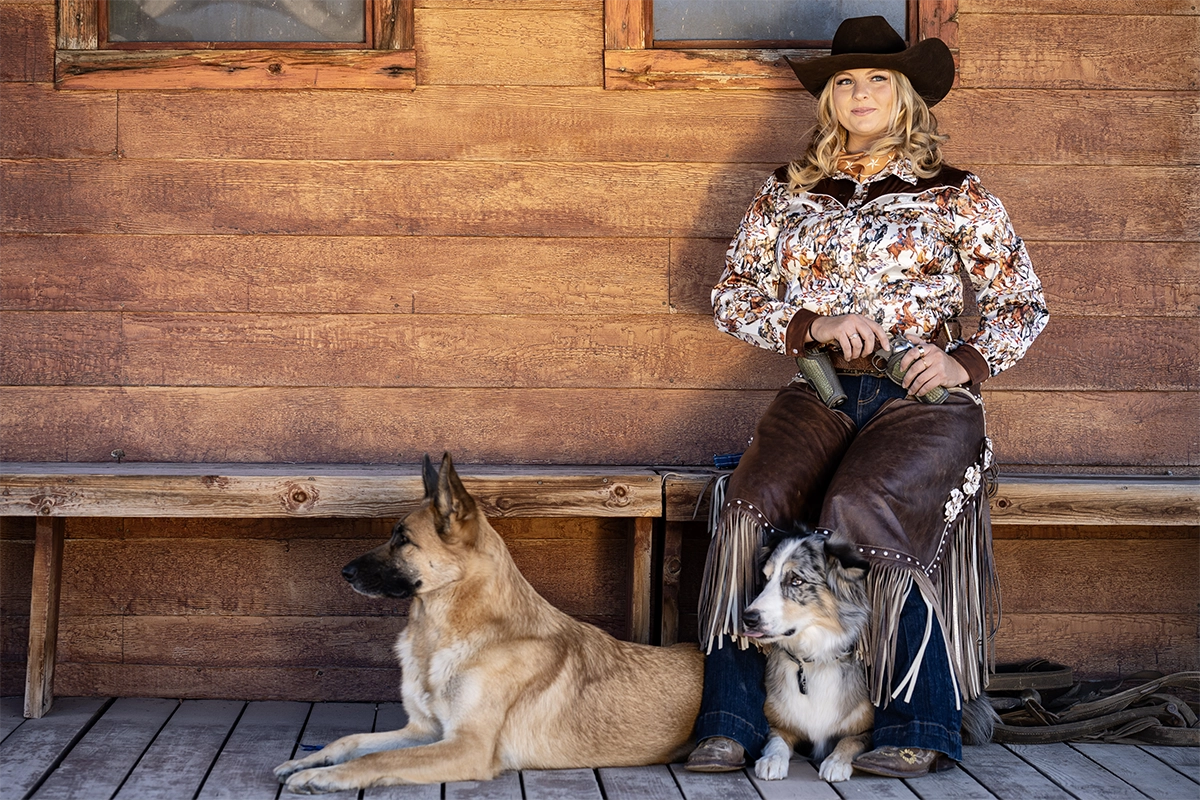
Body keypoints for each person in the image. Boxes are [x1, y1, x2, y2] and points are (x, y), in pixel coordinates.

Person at [684, 16, 1049, 778]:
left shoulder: (958, 195)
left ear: (905, 94)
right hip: (818, 391)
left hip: (922, 404)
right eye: (845, 80)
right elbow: (731, 296)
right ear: (829, 99)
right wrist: (813, 322)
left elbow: (1021, 305)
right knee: (747, 502)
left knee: (863, 509)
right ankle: (730, 722)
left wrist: (963, 363)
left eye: (878, 79)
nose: (860, 93)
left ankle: (915, 726)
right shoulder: (786, 192)